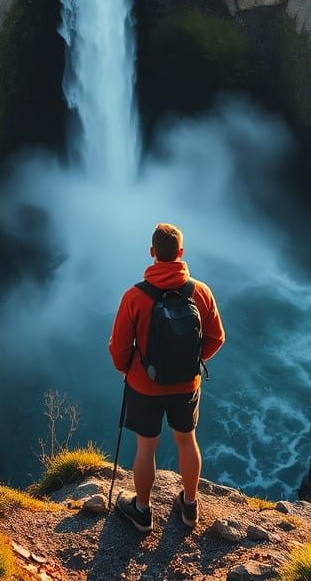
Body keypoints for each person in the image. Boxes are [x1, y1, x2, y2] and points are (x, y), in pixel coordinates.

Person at [108, 222, 225, 532]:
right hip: (187, 384)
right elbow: (217, 338)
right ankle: (189, 506)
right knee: (187, 441)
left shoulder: (135, 296)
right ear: (181, 253)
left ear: (152, 253)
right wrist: (193, 362)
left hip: (144, 385)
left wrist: (128, 369)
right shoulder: (200, 292)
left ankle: (143, 511)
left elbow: (118, 348)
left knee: (146, 446)